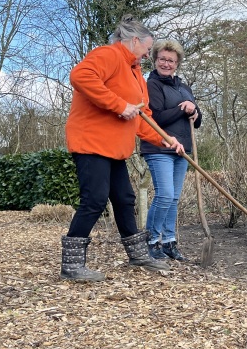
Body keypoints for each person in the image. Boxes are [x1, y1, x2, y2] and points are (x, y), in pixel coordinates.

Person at [61, 15, 185, 282]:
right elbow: (80, 75)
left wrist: (164, 139)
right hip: (92, 141)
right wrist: (119, 105)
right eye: (146, 49)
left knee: (124, 199)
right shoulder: (108, 55)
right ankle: (71, 265)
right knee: (95, 199)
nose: (148, 56)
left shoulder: (134, 71)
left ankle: (138, 255)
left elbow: (143, 115)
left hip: (114, 147)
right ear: (135, 40)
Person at [140, 40, 202, 261]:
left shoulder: (184, 87)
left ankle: (168, 242)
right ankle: (151, 241)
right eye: (162, 59)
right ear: (156, 60)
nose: (166, 63)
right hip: (159, 147)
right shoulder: (152, 85)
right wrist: (181, 108)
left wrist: (195, 111)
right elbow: (154, 117)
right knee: (164, 195)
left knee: (173, 198)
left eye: (171, 61)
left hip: (182, 149)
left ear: (177, 64)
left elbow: (196, 121)